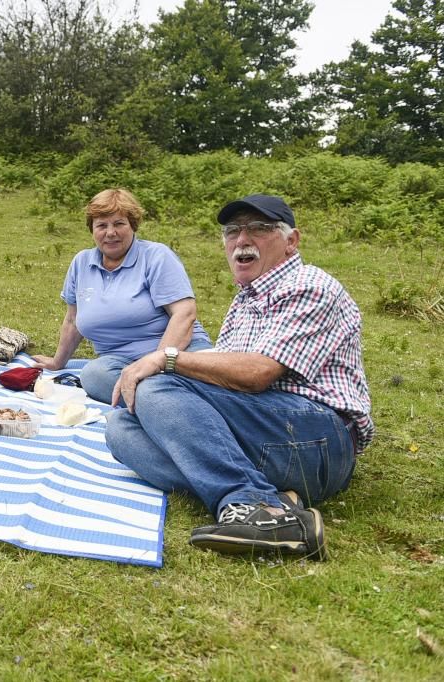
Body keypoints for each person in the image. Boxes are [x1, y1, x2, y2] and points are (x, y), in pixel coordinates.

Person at [105, 194, 373, 561]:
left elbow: (257, 373)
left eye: (259, 229)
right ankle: (275, 498)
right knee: (121, 426)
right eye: (232, 231)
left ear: (291, 241)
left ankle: (253, 505)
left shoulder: (310, 285)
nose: (242, 240)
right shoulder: (246, 297)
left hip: (319, 438)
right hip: (268, 432)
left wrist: (165, 359)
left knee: (159, 383)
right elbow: (226, 367)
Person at [32, 188, 211, 404]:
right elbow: (72, 320)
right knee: (93, 375)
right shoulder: (81, 263)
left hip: (176, 354)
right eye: (101, 225)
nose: (110, 232)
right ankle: (166, 401)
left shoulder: (156, 256)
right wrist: (57, 362)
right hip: (121, 362)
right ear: (92, 230)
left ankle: (158, 399)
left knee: (198, 378)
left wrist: (156, 363)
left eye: (119, 224)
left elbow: (185, 314)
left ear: (132, 225)